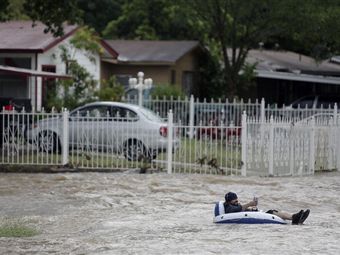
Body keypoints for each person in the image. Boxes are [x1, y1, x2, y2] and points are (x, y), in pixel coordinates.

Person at [224, 192, 310, 225]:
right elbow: (235, 210)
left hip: (256, 214)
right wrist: (249, 204)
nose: (237, 201)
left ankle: (295, 217)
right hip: (253, 218)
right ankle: (294, 218)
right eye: (234, 200)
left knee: (273, 211)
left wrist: (251, 208)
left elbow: (240, 209)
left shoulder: (234, 206)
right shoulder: (228, 207)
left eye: (237, 200)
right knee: (272, 212)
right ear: (229, 201)